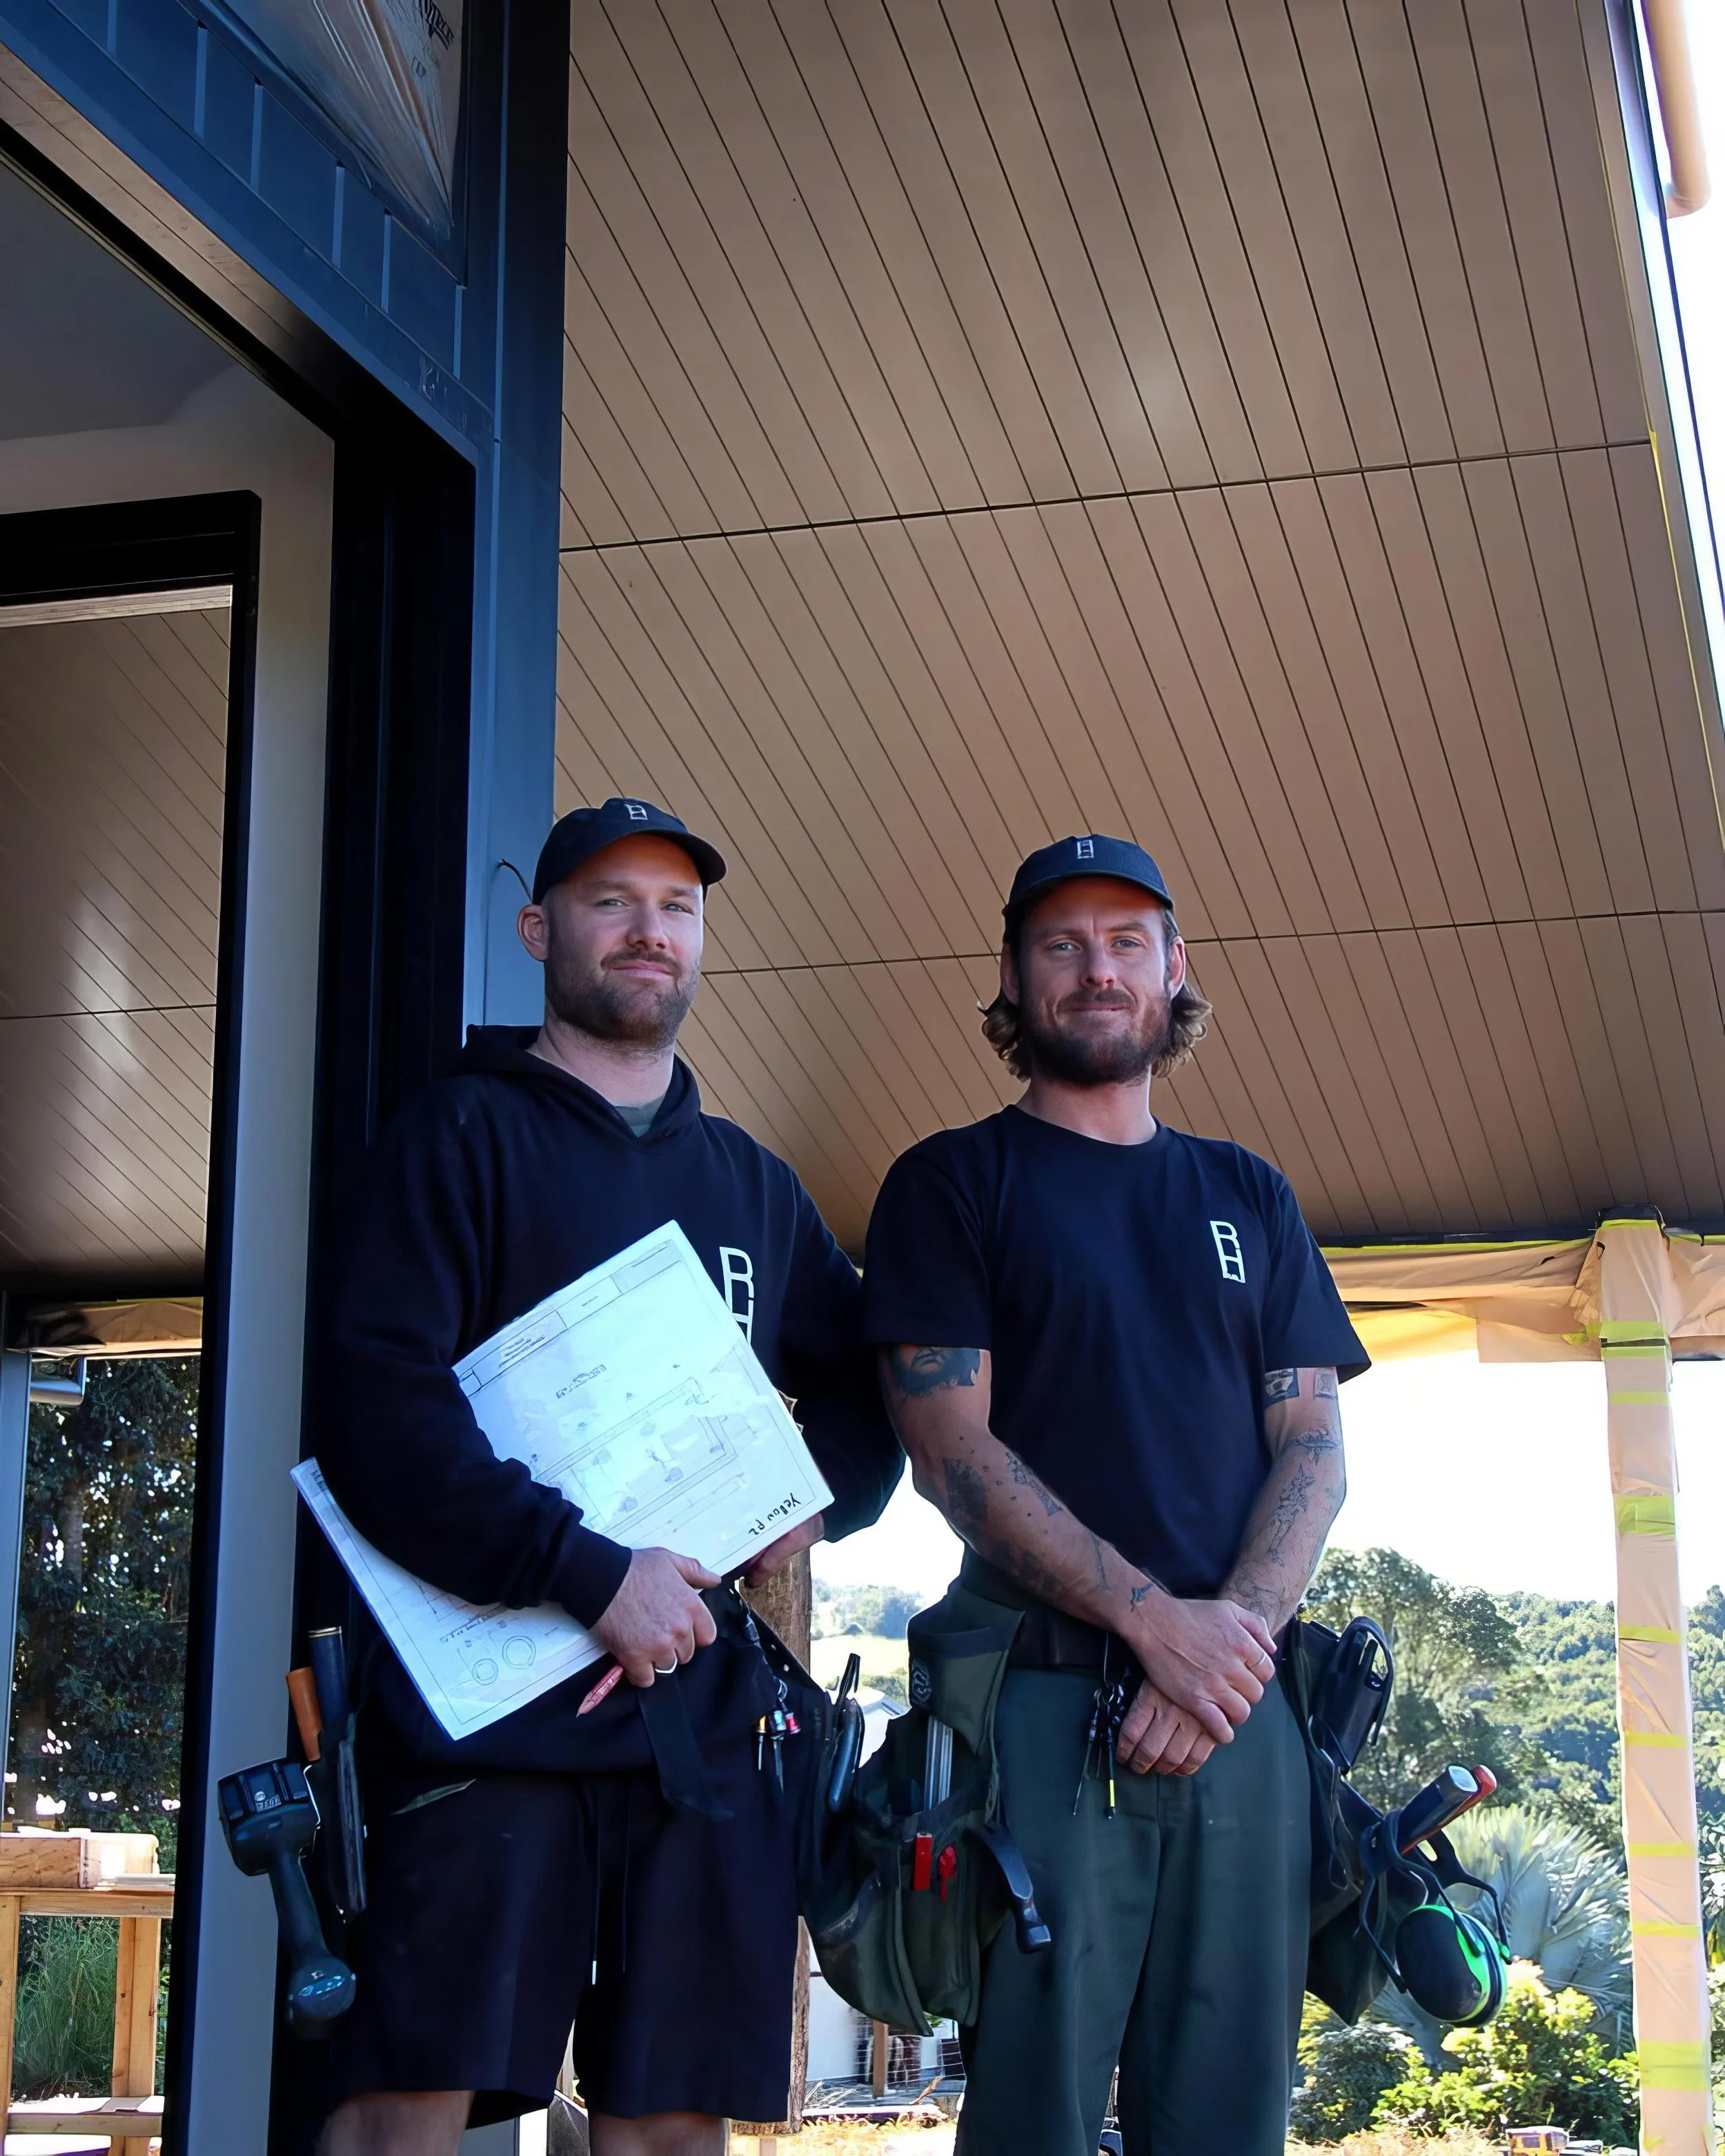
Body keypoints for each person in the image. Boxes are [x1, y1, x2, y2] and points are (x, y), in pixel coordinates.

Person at [316, 796, 900, 2156]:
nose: (647, 930)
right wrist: (590, 1575)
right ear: (539, 928)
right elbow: (377, 1413)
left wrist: (809, 1502)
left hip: (697, 1732)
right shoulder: (453, 1137)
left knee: (669, 2124)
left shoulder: (751, 1184)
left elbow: (872, 1400)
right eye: (609, 901)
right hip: (480, 1725)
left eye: (675, 907)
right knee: (399, 2111)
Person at [862, 833, 1367, 2156]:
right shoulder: (951, 1183)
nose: (1098, 970)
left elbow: (1314, 1448)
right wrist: (1159, 1627)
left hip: (1242, 1711)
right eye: (1062, 945)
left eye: (1127, 942)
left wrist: (1225, 1652)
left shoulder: (1249, 1193)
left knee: (1231, 2114)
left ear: (1175, 969)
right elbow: (948, 1450)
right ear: (1016, 979)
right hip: (1039, 1708)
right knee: (1034, 2108)